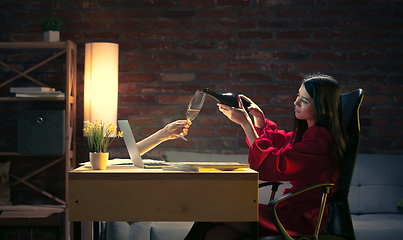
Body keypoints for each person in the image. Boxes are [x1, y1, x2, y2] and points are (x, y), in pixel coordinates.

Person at [184, 73, 346, 240]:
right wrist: (259, 120)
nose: (295, 102)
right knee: (215, 235)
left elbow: (274, 163)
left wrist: (246, 124)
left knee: (213, 210)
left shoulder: (321, 139)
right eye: (298, 96)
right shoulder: (307, 134)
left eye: (304, 101)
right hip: (287, 210)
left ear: (322, 107)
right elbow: (278, 145)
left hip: (300, 219)